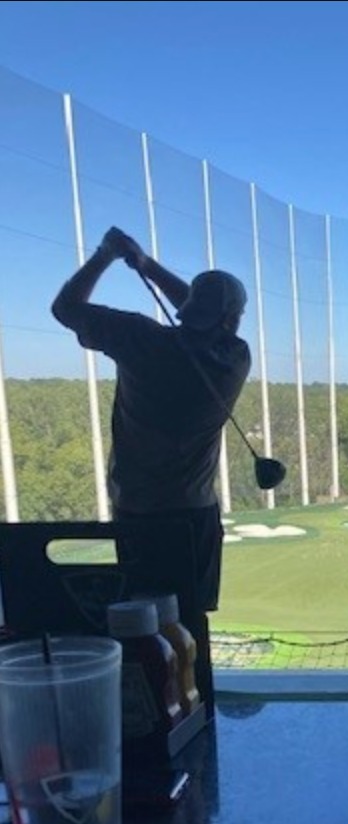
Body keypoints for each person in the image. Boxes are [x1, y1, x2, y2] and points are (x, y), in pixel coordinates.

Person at [51, 226, 251, 613]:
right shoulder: (235, 358)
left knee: (139, 616)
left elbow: (66, 308)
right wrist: (148, 266)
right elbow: (205, 314)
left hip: (136, 509)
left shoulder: (140, 338)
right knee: (189, 619)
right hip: (193, 513)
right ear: (231, 320)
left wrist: (107, 255)